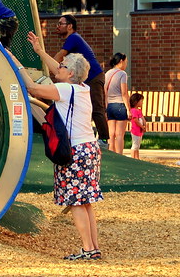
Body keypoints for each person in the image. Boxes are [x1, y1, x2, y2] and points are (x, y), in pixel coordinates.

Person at [19, 32, 102, 261]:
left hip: (74, 151)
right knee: (86, 201)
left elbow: (33, 90)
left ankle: (86, 249)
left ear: (71, 73)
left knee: (75, 200)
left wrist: (17, 66)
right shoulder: (82, 88)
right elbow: (58, 70)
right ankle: (93, 248)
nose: (58, 69)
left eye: (63, 67)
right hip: (90, 148)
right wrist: (39, 51)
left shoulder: (66, 91)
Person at [53, 14, 109, 144]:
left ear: (70, 26)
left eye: (61, 24)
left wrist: (46, 67)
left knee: (97, 107)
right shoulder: (72, 39)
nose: (58, 26)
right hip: (85, 78)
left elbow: (60, 56)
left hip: (94, 76)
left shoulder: (73, 38)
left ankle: (104, 139)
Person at [104, 52, 130, 154]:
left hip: (110, 105)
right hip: (120, 105)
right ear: (121, 61)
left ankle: (112, 154)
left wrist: (106, 107)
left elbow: (105, 92)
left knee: (111, 134)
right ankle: (120, 156)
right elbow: (124, 93)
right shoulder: (122, 74)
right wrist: (128, 109)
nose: (126, 64)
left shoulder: (107, 73)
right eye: (126, 62)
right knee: (119, 134)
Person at [129, 93, 146, 160]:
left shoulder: (139, 111)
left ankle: (137, 157)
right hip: (135, 130)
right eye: (141, 101)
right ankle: (133, 158)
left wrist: (144, 125)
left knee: (137, 146)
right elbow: (135, 120)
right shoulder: (133, 111)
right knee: (135, 145)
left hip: (139, 131)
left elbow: (142, 118)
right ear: (136, 101)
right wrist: (141, 126)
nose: (142, 103)